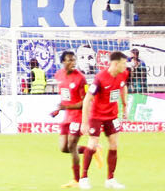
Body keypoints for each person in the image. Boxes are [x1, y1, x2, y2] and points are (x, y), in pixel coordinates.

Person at [79, 50, 130, 189]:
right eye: (124, 63)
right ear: (116, 64)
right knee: (93, 144)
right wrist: (84, 123)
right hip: (97, 115)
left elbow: (123, 87)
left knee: (114, 144)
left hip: (112, 115)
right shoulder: (100, 78)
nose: (126, 66)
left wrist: (125, 105)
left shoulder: (123, 73)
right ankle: (83, 178)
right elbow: (87, 99)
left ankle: (110, 179)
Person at [51, 50, 88, 187]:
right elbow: (65, 96)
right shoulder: (58, 75)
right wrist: (59, 108)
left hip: (77, 116)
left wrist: (66, 107)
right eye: (70, 60)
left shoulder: (81, 78)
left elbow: (85, 102)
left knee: (72, 145)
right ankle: (91, 149)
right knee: (63, 148)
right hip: (67, 116)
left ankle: (76, 180)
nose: (73, 62)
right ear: (63, 62)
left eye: (74, 60)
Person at [126, 49, 147, 121]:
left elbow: (143, 75)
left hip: (138, 84)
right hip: (130, 84)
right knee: (129, 100)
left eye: (131, 54)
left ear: (135, 54)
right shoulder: (128, 61)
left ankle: (136, 117)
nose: (130, 55)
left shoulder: (141, 63)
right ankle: (129, 116)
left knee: (137, 101)